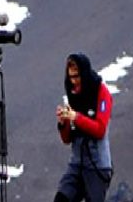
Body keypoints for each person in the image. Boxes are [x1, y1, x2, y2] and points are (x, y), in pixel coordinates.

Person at [54, 53, 113, 202]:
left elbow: (100, 130)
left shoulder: (101, 92)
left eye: (77, 77)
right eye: (71, 77)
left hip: (97, 166)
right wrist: (63, 123)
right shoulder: (73, 94)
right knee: (61, 198)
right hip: (76, 164)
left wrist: (76, 117)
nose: (74, 82)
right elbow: (67, 139)